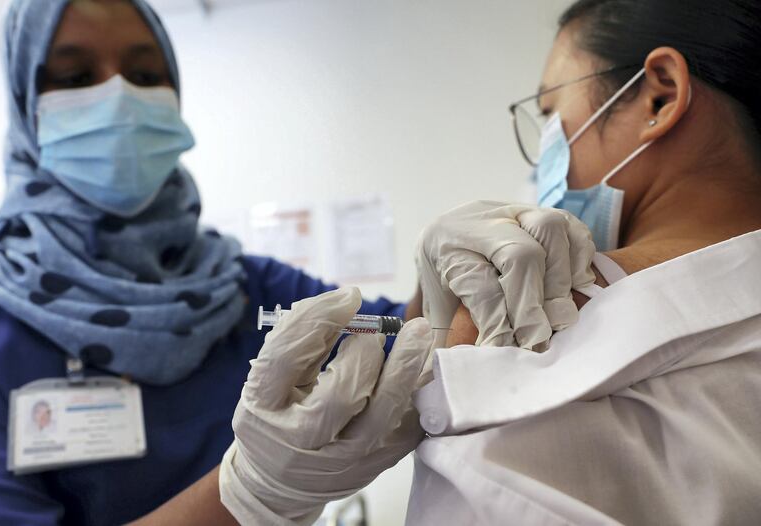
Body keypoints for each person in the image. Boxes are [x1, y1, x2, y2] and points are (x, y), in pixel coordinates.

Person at [0, 0, 584, 524]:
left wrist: (438, 274)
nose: (118, 95)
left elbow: (402, 339)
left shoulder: (242, 288)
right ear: (22, 103)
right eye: (73, 79)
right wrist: (249, 493)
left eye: (145, 73)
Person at [215, 0, 761, 524]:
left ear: (659, 97)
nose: (547, 156)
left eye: (550, 113)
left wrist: (258, 495)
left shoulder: (513, 345)